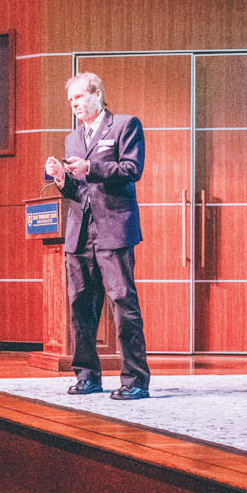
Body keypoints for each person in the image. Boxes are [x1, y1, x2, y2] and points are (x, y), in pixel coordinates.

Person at [43, 70, 150, 400]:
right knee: (81, 306)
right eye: (70, 100)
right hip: (79, 233)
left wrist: (92, 169)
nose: (74, 104)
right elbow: (77, 190)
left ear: (97, 94)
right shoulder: (72, 138)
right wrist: (62, 179)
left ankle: (135, 380)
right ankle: (87, 375)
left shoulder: (124, 125)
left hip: (114, 229)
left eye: (79, 97)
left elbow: (133, 170)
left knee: (123, 303)